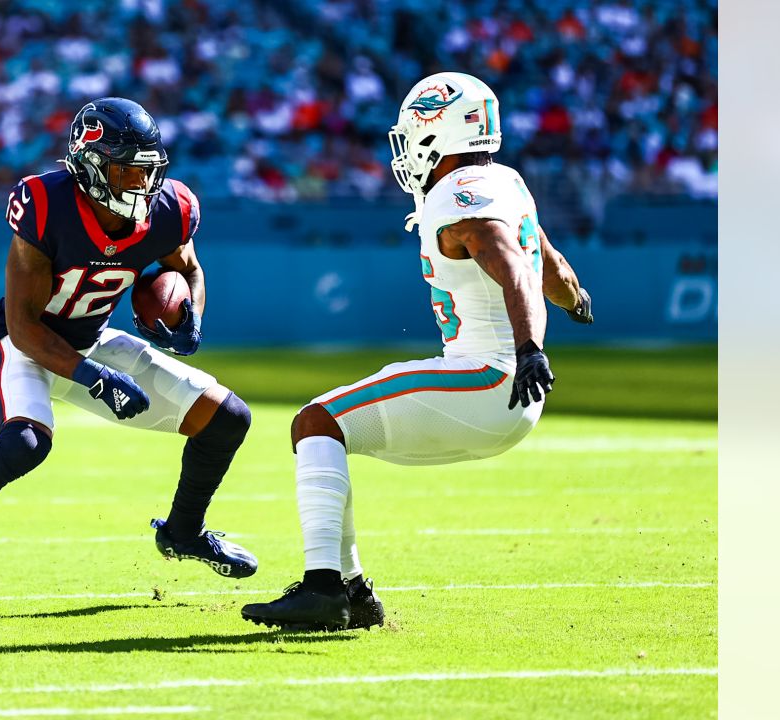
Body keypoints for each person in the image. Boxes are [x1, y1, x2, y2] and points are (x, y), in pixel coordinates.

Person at [0, 98, 258, 604]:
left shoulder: (169, 210)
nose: (142, 184)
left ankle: (183, 533)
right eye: (127, 170)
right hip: (23, 342)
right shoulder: (46, 204)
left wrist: (191, 317)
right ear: (91, 165)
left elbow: (188, 271)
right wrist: (93, 377)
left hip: (89, 338)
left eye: (148, 170)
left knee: (228, 417)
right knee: (24, 444)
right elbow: (23, 325)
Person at [241, 73, 594, 631]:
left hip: (486, 379)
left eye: (411, 134)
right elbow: (550, 266)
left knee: (316, 423)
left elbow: (512, 263)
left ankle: (325, 588)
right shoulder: (506, 181)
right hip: (505, 393)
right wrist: (576, 301)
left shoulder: (458, 197)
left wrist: (529, 347)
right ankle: (351, 595)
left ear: (438, 130)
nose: (405, 150)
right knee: (331, 430)